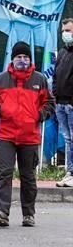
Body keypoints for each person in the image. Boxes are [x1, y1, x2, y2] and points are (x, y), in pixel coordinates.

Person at [0, 42, 55, 228]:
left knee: (28, 177)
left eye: (26, 57)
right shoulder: (0, 79)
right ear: (12, 59)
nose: (22, 60)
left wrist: (39, 115)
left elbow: (49, 102)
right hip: (6, 135)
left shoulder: (39, 80)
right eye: (19, 57)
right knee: (4, 173)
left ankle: (28, 214)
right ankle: (2, 212)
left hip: (30, 136)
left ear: (30, 59)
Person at [54, 18, 73, 187]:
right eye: (63, 31)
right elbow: (56, 76)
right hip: (60, 103)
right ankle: (70, 173)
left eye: (68, 30)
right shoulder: (62, 52)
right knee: (68, 138)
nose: (65, 34)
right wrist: (55, 97)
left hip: (71, 104)